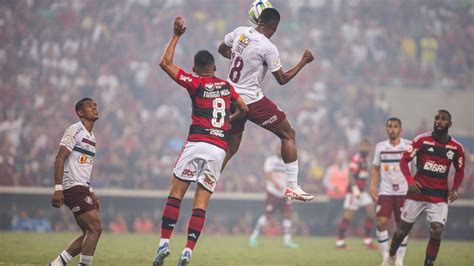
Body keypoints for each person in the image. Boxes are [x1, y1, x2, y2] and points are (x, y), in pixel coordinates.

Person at [152, 16, 248, 266]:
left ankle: (164, 244)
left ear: (196, 69)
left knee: (176, 193)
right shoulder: (227, 87)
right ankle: (188, 251)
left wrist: (176, 35)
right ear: (215, 68)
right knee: (201, 202)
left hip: (197, 143)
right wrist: (228, 122)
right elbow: (244, 109)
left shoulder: (195, 82)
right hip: (218, 148)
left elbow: (165, 63)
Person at [218, 8, 314, 201]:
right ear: (275, 26)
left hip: (230, 95)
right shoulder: (267, 47)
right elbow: (282, 79)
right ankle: (292, 187)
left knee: (232, 146)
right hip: (251, 100)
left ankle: (209, 177)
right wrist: (303, 61)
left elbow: (222, 49)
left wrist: (243, 59)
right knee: (288, 134)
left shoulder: (240, 31)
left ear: (258, 20)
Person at [382, 110, 465, 266]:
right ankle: (390, 257)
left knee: (437, 229)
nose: (439, 121)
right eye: (437, 119)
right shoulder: (422, 140)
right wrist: (410, 180)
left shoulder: (456, 147)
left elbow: (460, 170)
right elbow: (403, 161)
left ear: (450, 124)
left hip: (439, 195)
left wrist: (455, 188)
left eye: (443, 119)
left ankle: (428, 264)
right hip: (417, 192)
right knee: (401, 232)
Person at [49, 98, 101, 266]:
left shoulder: (92, 137)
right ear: (80, 112)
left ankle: (56, 264)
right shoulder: (75, 130)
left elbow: (82, 166)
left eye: (95, 105)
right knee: (95, 229)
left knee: (88, 231)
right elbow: (60, 158)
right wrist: (58, 188)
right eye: (89, 105)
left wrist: (90, 190)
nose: (94, 107)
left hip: (82, 187)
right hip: (73, 186)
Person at [370, 118, 411, 266]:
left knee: (402, 226)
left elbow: (417, 166)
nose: (392, 129)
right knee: (381, 223)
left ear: (401, 130)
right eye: (389, 127)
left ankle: (400, 259)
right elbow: (375, 168)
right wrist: (373, 186)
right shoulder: (380, 147)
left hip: (404, 191)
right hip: (385, 191)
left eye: (395, 127)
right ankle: (386, 257)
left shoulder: (408, 146)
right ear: (386, 129)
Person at [249, 144, 299, 249]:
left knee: (287, 215)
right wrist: (276, 184)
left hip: (284, 193)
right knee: (268, 215)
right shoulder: (270, 160)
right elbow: (268, 175)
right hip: (273, 192)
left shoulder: (288, 162)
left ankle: (287, 241)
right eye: (278, 149)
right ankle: (253, 237)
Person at [335, 139, 377, 249]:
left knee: (371, 212)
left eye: (367, 146)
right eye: (363, 146)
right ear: (359, 147)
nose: (365, 148)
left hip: (363, 191)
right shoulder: (356, 158)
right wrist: (354, 189)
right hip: (353, 192)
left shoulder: (367, 159)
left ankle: (367, 240)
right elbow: (351, 175)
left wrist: (369, 189)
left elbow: (364, 177)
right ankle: (340, 241)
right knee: (348, 216)